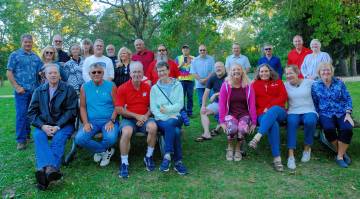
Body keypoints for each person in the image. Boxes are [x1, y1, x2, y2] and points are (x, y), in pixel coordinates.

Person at [27, 64, 78, 190]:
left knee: (59, 139)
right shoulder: (39, 90)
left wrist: (58, 126)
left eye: (56, 73)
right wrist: (43, 126)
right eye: (50, 73)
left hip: (64, 125)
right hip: (44, 124)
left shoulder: (68, 89)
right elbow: (31, 112)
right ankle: (51, 170)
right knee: (38, 136)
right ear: (45, 75)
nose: (53, 75)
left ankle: (43, 173)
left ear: (60, 75)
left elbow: (71, 111)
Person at [115, 61, 158, 179]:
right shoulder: (122, 88)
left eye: (139, 71)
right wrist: (136, 116)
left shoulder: (148, 87)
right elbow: (118, 109)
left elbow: (153, 107)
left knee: (153, 127)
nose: (137, 74)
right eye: (134, 72)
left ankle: (148, 157)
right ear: (130, 73)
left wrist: (145, 116)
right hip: (128, 119)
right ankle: (124, 162)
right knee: (126, 132)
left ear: (143, 73)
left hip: (145, 118)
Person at [75, 63, 119, 167]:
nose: (96, 74)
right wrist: (85, 123)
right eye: (93, 72)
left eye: (99, 72)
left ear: (103, 73)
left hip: (108, 120)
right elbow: (82, 107)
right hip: (92, 122)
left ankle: (99, 151)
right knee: (79, 139)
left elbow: (117, 105)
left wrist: (112, 120)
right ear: (89, 74)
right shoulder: (84, 87)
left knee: (111, 138)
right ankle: (105, 151)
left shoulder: (111, 86)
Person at [311, 62, 354, 168]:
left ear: (332, 71)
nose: (326, 72)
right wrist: (317, 115)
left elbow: (347, 98)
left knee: (347, 128)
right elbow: (315, 102)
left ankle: (339, 156)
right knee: (329, 129)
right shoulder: (315, 85)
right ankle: (343, 153)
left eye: (328, 70)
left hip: (341, 112)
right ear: (319, 73)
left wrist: (348, 113)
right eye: (323, 70)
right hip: (325, 113)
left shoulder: (339, 83)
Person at [150, 61, 188, 175]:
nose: (161, 73)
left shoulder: (178, 85)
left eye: (163, 70)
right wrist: (165, 116)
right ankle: (178, 162)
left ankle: (167, 155)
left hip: (176, 116)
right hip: (161, 119)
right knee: (175, 131)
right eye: (159, 71)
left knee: (172, 123)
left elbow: (180, 104)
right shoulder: (154, 88)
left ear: (168, 70)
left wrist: (166, 110)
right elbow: (154, 109)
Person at [6, 34, 43, 150]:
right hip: (21, 91)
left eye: (30, 42)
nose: (28, 44)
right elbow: (9, 72)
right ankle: (21, 141)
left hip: (34, 92)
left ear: (32, 43)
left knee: (30, 115)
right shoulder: (15, 55)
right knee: (21, 115)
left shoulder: (36, 57)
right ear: (22, 42)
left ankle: (27, 136)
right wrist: (17, 87)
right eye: (26, 42)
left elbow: (41, 71)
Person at [249, 63, 288, 172]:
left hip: (279, 111)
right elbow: (252, 103)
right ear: (258, 73)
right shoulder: (254, 85)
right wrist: (258, 113)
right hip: (261, 114)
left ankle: (258, 136)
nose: (264, 73)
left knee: (274, 109)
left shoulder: (278, 82)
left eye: (266, 71)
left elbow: (283, 97)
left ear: (270, 71)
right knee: (273, 124)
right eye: (261, 71)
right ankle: (277, 158)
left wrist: (269, 107)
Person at [218, 63, 256, 161]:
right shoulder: (226, 85)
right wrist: (222, 122)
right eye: (234, 70)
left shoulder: (248, 86)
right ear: (230, 72)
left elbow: (252, 104)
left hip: (244, 114)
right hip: (230, 114)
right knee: (232, 129)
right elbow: (221, 104)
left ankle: (238, 147)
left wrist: (254, 122)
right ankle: (230, 146)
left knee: (242, 129)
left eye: (238, 69)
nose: (236, 71)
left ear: (242, 71)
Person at [284, 65, 318, 170]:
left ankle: (307, 149)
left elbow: (323, 83)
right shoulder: (285, 85)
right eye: (287, 74)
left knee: (310, 121)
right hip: (293, 111)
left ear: (297, 73)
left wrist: (338, 80)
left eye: (291, 73)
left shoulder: (308, 82)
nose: (289, 76)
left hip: (309, 110)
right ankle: (291, 155)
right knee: (292, 123)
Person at [196, 61, 226, 142]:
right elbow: (206, 93)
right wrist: (203, 106)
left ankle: (217, 129)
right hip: (218, 103)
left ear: (224, 68)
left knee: (227, 114)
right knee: (203, 112)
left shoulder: (229, 77)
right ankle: (206, 133)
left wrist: (216, 94)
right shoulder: (212, 77)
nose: (218, 68)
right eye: (216, 67)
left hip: (229, 104)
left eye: (220, 66)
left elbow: (231, 92)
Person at [175, 44, 195, 117]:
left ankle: (189, 112)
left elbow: (196, 68)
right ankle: (183, 112)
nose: (185, 50)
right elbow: (175, 69)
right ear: (182, 50)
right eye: (184, 49)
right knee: (181, 97)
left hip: (190, 80)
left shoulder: (193, 58)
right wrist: (182, 64)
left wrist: (191, 63)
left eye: (187, 48)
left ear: (189, 50)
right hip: (181, 80)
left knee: (190, 96)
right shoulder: (178, 58)